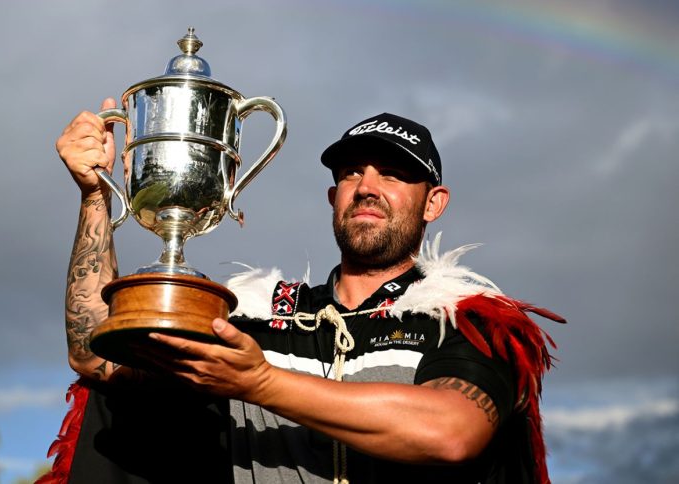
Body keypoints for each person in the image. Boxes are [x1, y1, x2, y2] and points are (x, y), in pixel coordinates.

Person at [37, 99, 564, 484]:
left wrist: (259, 383)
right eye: (352, 171)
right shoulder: (260, 317)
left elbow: (452, 432)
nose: (368, 185)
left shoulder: (468, 317)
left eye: (395, 174)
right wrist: (94, 198)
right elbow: (96, 358)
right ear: (334, 197)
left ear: (434, 204)